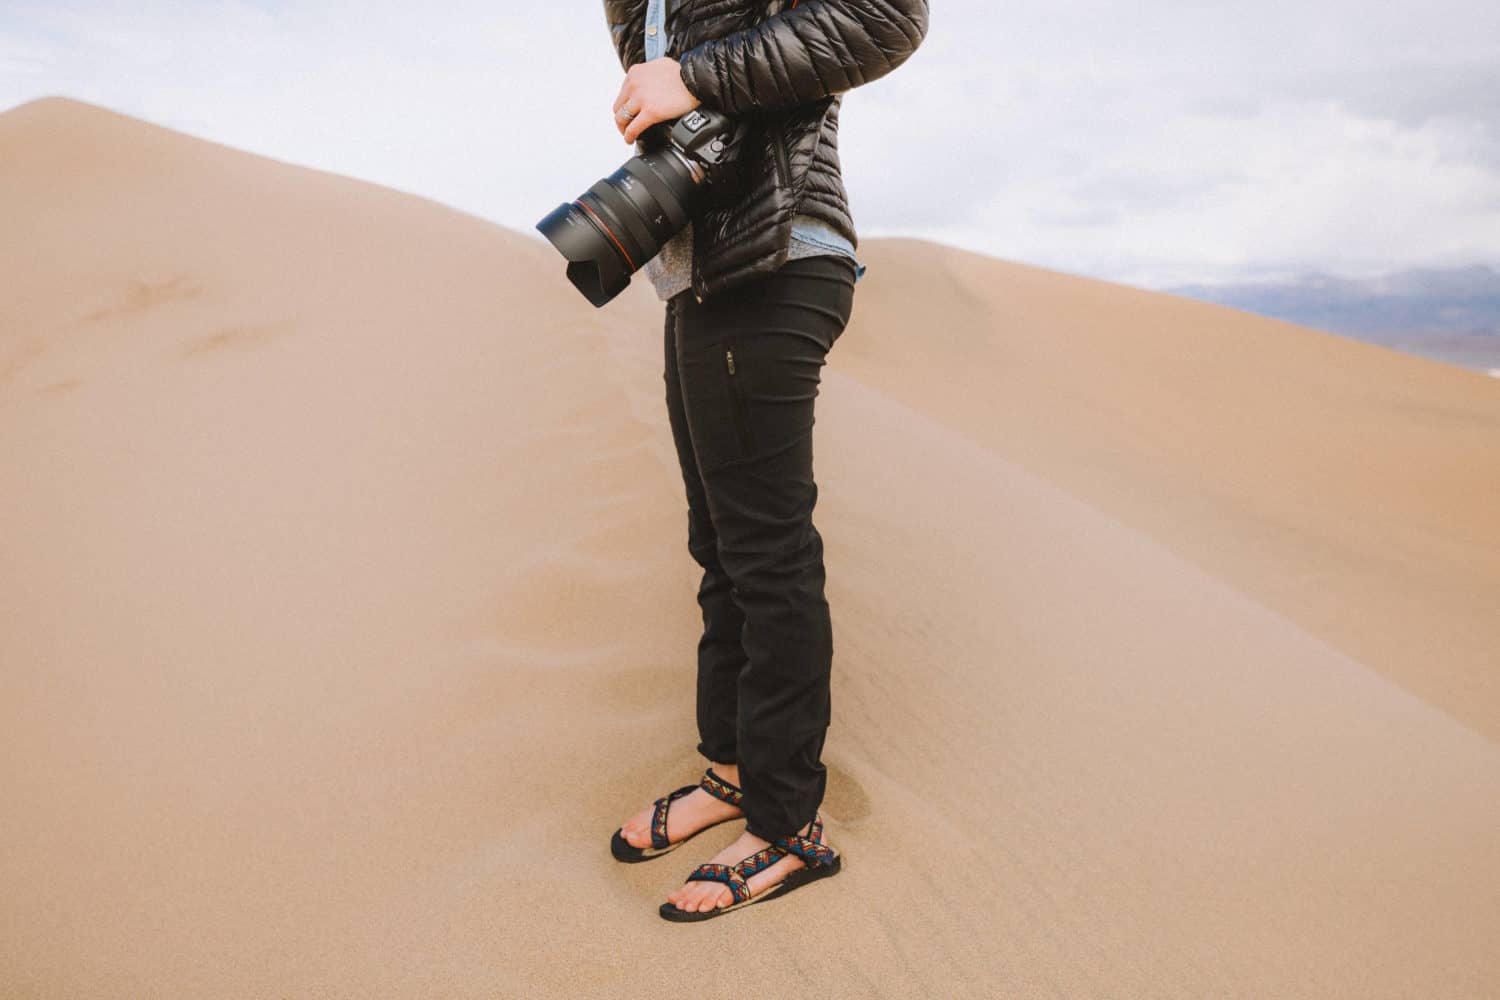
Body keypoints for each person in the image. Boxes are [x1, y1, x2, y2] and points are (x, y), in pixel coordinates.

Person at [602, 0, 930, 922]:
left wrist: (692, 77)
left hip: (780, 255)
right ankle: (735, 773)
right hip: (697, 270)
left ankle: (790, 828)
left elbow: (885, 18)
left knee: (767, 555)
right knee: (723, 547)